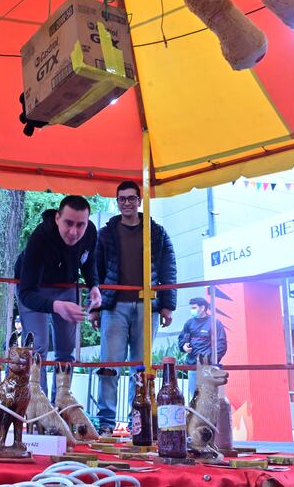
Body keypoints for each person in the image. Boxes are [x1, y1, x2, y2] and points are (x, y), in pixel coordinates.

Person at [91, 180, 177, 435]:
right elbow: (95, 270)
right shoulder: (105, 233)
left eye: (131, 198)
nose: (126, 203)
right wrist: (94, 307)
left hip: (148, 304)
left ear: (139, 201)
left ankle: (138, 422)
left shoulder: (157, 232)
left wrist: (168, 305)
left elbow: (168, 269)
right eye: (122, 199)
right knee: (109, 365)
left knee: (142, 368)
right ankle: (105, 423)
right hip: (113, 305)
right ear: (116, 202)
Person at [17, 195, 101, 396]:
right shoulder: (40, 237)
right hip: (33, 288)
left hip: (66, 286)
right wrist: (57, 306)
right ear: (57, 218)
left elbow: (88, 261)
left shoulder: (90, 232)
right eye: (68, 223)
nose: (74, 232)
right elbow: (26, 294)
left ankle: (62, 403)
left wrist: (94, 286)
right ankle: (38, 406)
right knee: (38, 347)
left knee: (66, 350)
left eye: (80, 225)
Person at [178, 297, 227, 399]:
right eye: (191, 308)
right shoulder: (189, 323)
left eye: (194, 307)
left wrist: (210, 360)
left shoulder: (215, 323)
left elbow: (221, 345)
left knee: (210, 399)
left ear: (202, 308)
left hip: (209, 368)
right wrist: (184, 346)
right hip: (193, 368)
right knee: (195, 399)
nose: (192, 310)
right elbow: (182, 340)